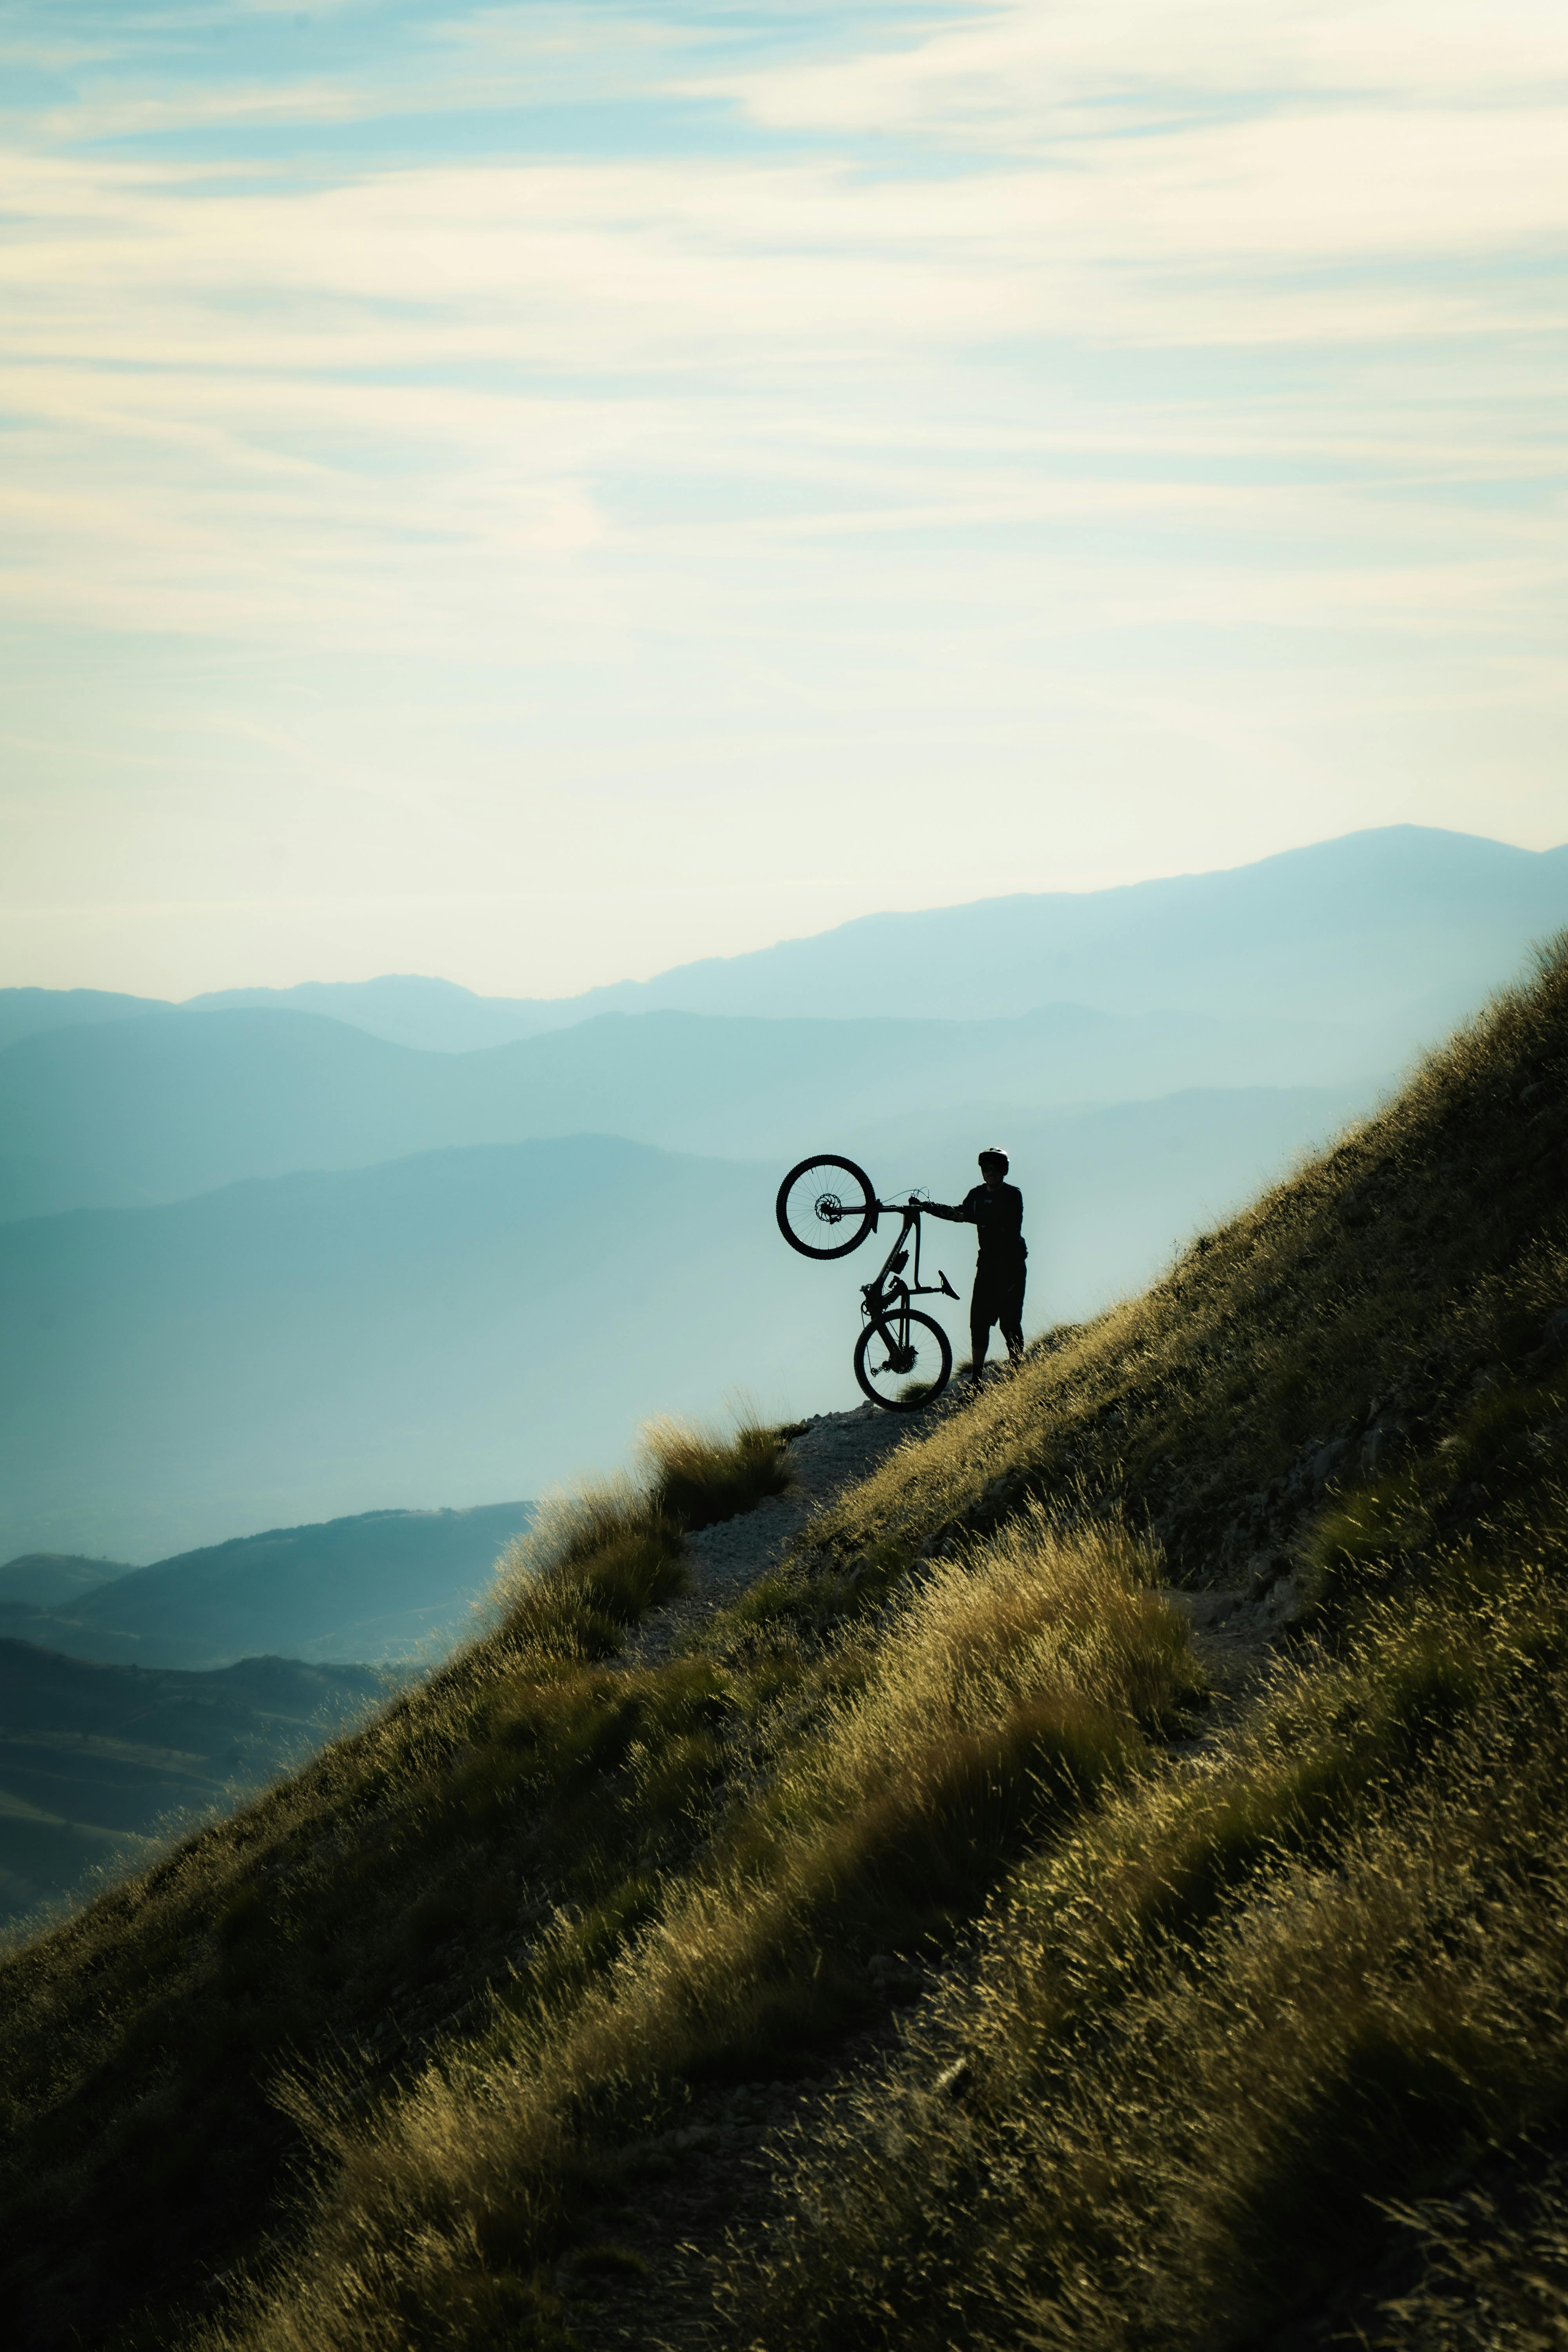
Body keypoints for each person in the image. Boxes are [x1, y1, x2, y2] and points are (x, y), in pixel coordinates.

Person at [925, 1149, 1027, 1380]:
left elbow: (1001, 1221)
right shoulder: (976, 1195)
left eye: (995, 1168)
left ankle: (1019, 1373)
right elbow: (960, 1212)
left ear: (1004, 1171)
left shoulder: (1013, 1195)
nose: (990, 1172)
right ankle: (977, 1381)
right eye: (985, 1168)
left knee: (1009, 1323)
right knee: (978, 1323)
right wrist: (930, 1208)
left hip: (1011, 1267)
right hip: (987, 1267)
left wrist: (966, 1217)